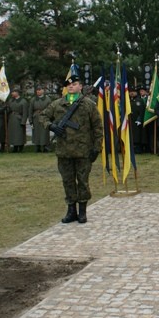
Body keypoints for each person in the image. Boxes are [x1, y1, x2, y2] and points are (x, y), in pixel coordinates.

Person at [40, 76, 103, 224]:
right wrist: (51, 126)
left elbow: (98, 128)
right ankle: (71, 210)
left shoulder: (88, 104)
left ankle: (82, 211)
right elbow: (43, 116)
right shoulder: (57, 104)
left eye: (74, 84)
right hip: (64, 151)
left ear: (80, 86)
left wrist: (96, 148)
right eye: (68, 85)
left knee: (82, 181)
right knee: (67, 181)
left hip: (83, 151)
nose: (71, 87)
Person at [30, 86, 52, 152]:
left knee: (44, 132)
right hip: (36, 117)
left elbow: (50, 109)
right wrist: (30, 120)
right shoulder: (33, 99)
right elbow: (30, 110)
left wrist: (49, 118)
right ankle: (37, 146)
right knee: (36, 133)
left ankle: (45, 147)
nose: (38, 91)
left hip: (44, 117)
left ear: (43, 91)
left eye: (39, 90)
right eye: (37, 90)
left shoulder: (48, 99)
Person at [7, 87, 29, 152]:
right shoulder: (11, 101)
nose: (12, 93)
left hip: (19, 119)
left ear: (17, 93)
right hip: (12, 119)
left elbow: (25, 112)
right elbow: (9, 109)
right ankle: (15, 146)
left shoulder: (23, 101)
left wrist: (23, 121)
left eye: (13, 92)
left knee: (19, 134)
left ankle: (20, 146)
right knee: (13, 134)